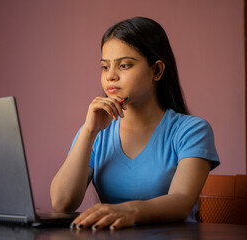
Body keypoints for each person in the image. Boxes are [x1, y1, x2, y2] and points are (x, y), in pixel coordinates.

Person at [50, 16, 219, 231]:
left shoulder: (191, 130)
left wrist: (128, 210)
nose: (110, 76)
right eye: (105, 67)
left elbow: (181, 202)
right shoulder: (96, 132)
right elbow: (61, 203)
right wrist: (89, 131)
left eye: (124, 65)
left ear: (156, 71)